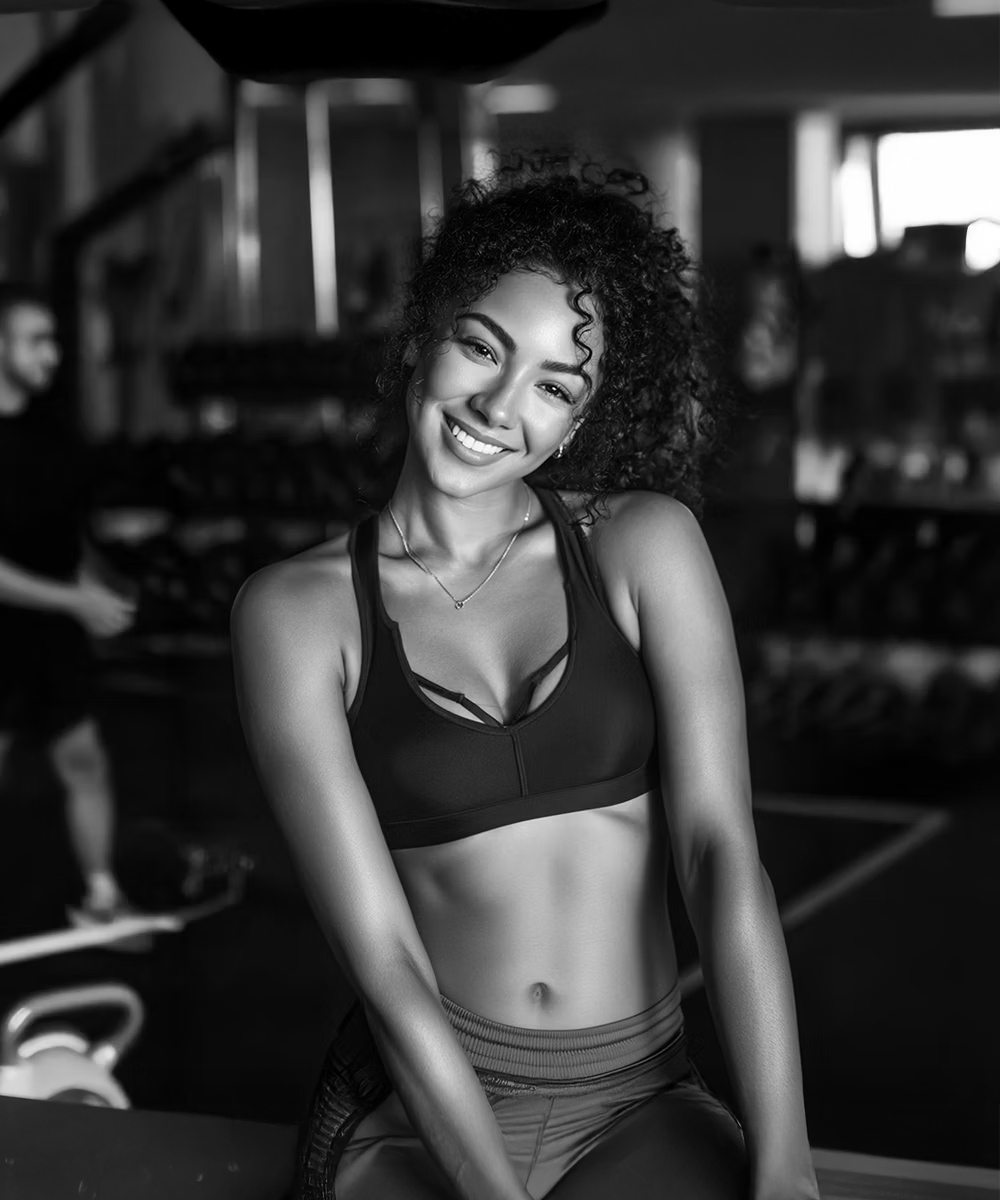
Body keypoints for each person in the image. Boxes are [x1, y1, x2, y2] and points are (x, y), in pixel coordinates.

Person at [231, 157, 821, 1200]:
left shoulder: (644, 547)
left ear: (582, 419)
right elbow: (383, 960)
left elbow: (719, 856)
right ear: (422, 338)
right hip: (424, 1109)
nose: (501, 405)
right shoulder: (297, 612)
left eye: (554, 385)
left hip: (638, 1099)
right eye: (479, 346)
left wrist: (783, 1166)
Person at [0, 282, 137, 925]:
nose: (52, 355)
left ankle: (102, 896)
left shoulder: (54, 436)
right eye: (36, 340)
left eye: (53, 340)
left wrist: (99, 586)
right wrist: (76, 602)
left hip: (53, 633)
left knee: (83, 758)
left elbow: (65, 535)